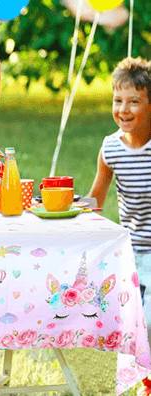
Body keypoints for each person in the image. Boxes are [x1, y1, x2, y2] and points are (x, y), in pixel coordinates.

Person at [87, 57, 151, 396]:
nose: (123, 109)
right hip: (131, 250)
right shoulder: (111, 147)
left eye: (134, 101)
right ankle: (146, 381)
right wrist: (63, 206)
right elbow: (96, 198)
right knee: (135, 321)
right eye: (118, 100)